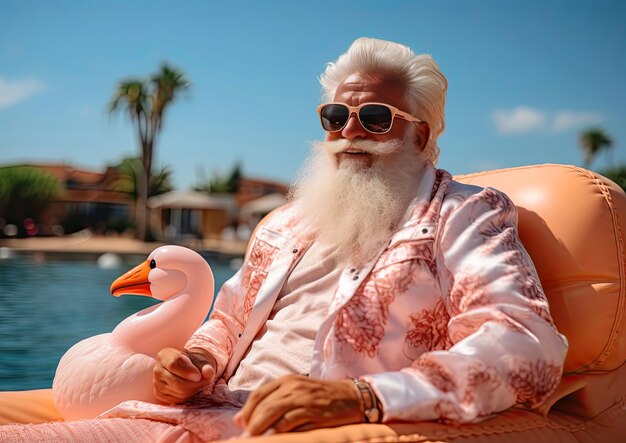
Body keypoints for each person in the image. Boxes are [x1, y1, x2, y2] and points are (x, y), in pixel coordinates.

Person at [0, 37, 568, 441]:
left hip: (297, 428)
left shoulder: (465, 214)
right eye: (334, 115)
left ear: (419, 132)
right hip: (195, 415)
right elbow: (226, 321)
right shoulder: (284, 223)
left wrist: (362, 397)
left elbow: (524, 346)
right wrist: (194, 360)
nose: (348, 131)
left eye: (373, 117)